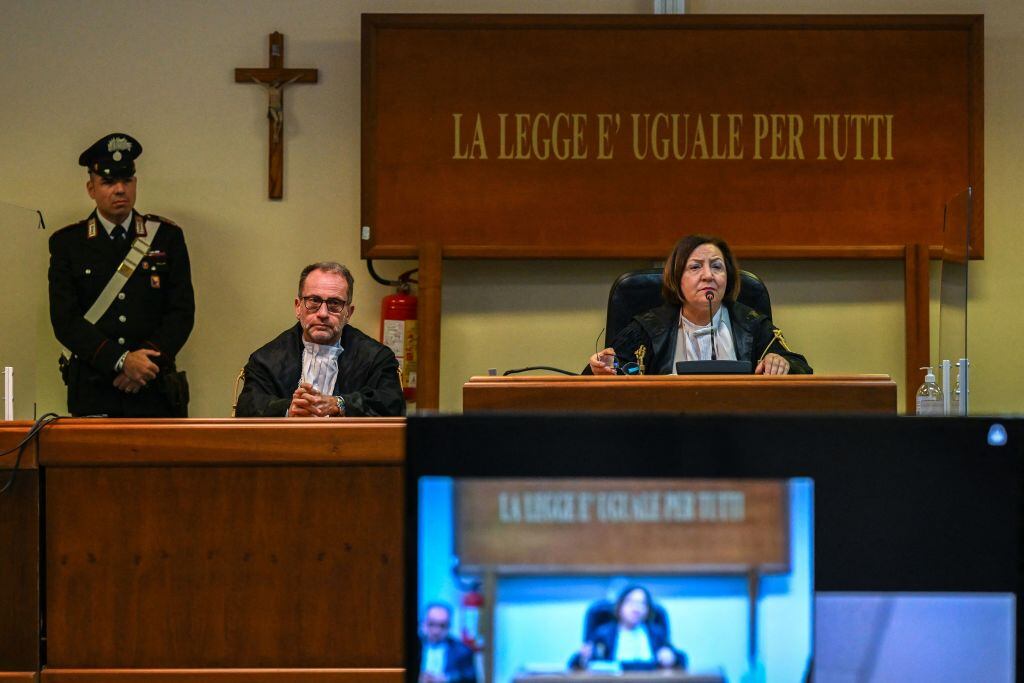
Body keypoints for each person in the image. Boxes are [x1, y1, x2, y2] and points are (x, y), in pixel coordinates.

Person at [48, 132, 195, 416]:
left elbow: (181, 313)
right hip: (94, 389)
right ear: (91, 188)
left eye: (126, 180)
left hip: (154, 389)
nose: (119, 189)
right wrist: (122, 361)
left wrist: (144, 365)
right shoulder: (68, 244)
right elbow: (65, 320)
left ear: (135, 183)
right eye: (108, 182)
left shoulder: (166, 237)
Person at [588, 234, 811, 375]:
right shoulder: (648, 328)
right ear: (677, 278)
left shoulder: (752, 325)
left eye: (717, 267)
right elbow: (601, 375)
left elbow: (801, 369)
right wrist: (603, 368)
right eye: (695, 267)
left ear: (728, 277)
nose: (708, 276)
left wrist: (781, 362)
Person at [235, 262, 406, 417]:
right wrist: (289, 409)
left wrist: (338, 404)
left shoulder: (376, 358)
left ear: (348, 313)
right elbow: (248, 407)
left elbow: (392, 404)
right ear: (298, 307)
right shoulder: (265, 360)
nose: (323, 313)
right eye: (314, 301)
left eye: (334, 303)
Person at [571, 585, 683, 670]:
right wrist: (583, 658)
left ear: (647, 610)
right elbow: (576, 664)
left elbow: (682, 660)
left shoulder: (656, 634)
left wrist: (672, 658)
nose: (636, 608)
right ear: (619, 606)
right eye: (630, 602)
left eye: (642, 603)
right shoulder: (603, 634)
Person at [419, 602, 477, 683]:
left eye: (442, 625)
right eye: (431, 624)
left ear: (449, 626)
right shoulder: (410, 647)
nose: (436, 631)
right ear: (423, 624)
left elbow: (470, 677)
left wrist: (447, 679)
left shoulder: (462, 651)